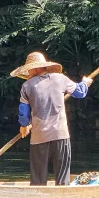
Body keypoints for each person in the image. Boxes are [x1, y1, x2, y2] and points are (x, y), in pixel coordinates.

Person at [11, 51, 92, 187]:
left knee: (37, 179)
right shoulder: (59, 78)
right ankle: (61, 197)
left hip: (39, 136)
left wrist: (24, 125)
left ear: (36, 68)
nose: (28, 73)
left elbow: (24, 115)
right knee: (62, 178)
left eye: (29, 69)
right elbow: (80, 92)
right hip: (60, 134)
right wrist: (85, 83)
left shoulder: (27, 86)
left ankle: (38, 197)